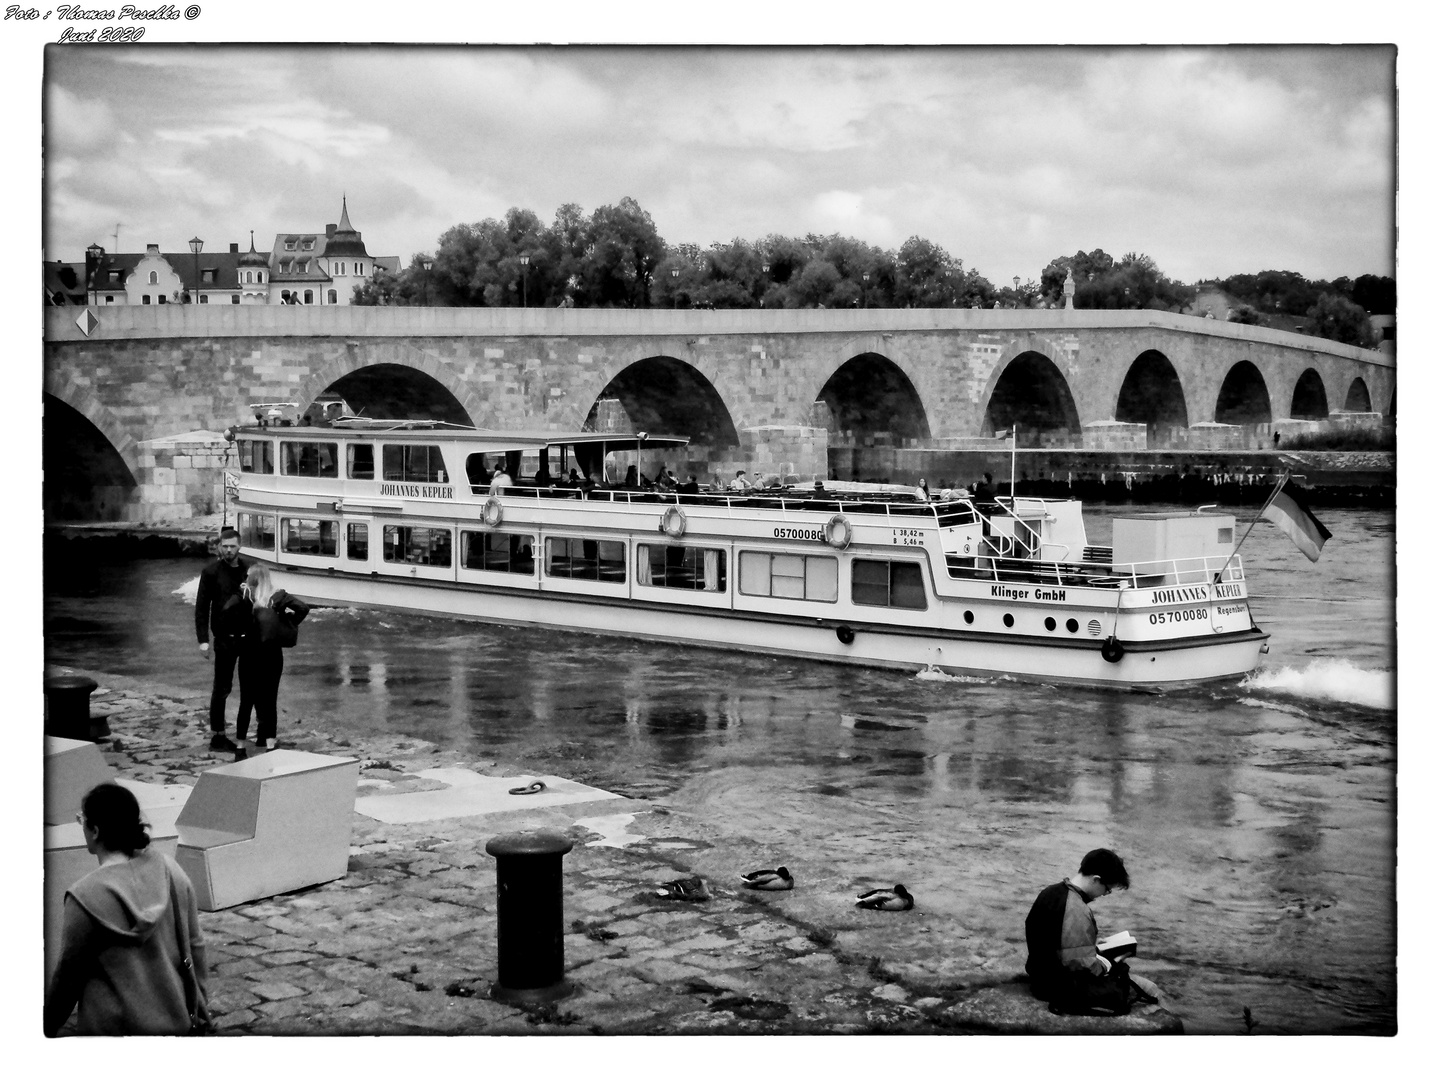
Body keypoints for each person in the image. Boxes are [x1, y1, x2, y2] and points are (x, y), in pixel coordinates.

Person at [44, 783, 210, 1036]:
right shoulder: (169, 870)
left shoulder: (84, 896)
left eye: (83, 821)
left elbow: (68, 978)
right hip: (175, 1021)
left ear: (95, 830)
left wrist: (45, 1027)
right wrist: (199, 1002)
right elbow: (195, 945)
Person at [1023, 848, 1161, 1015]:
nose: (1104, 894)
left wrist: (1091, 947)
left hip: (1040, 976)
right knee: (1146, 989)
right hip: (1058, 987)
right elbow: (1081, 965)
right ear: (1096, 880)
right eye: (1107, 889)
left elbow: (1058, 942)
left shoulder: (1050, 892)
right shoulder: (1076, 910)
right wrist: (1110, 961)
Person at [235, 565, 310, 756]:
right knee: (269, 700)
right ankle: (270, 745)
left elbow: (227, 615)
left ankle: (240, 747)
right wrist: (285, 621)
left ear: (250, 578)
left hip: (248, 653)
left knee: (246, 701)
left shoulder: (244, 596)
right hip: (272, 654)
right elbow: (303, 608)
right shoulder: (278, 596)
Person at [194, 526, 252, 752]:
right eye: (225, 546)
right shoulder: (211, 573)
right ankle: (217, 734)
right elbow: (201, 608)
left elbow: (258, 600)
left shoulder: (248, 570)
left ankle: (246, 734)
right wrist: (203, 640)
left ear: (239, 546)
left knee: (250, 688)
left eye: (232, 546)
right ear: (219, 547)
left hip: (247, 638)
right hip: (224, 639)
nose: (229, 550)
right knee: (222, 688)